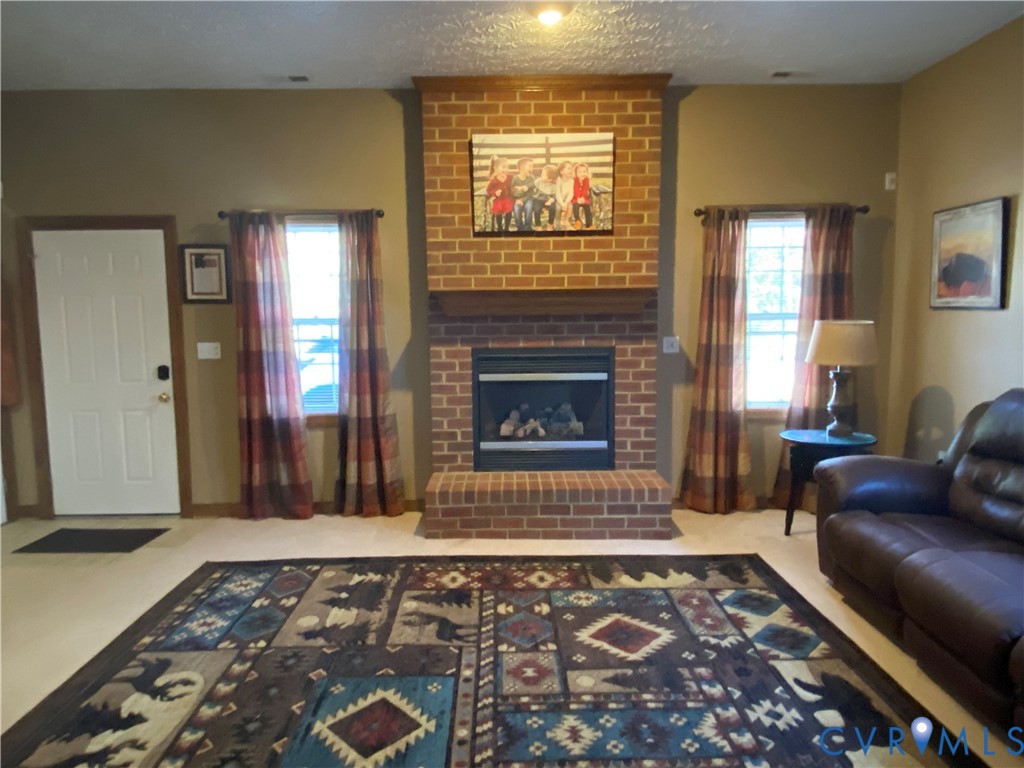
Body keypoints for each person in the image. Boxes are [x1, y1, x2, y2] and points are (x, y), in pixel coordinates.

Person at [485, 156, 513, 232]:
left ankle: (506, 228)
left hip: (508, 198)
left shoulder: (510, 177)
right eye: (503, 167)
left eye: (507, 167)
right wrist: (495, 192)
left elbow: (515, 183)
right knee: (497, 211)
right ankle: (500, 228)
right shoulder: (494, 180)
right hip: (499, 199)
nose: (505, 169)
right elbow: (488, 190)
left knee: (509, 211)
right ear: (496, 168)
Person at [510, 157, 537, 232]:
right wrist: (517, 199)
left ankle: (528, 227)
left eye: (532, 166)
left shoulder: (532, 178)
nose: (532, 168)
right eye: (530, 166)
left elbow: (530, 193)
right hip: (517, 199)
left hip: (528, 198)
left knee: (529, 207)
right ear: (522, 168)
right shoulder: (515, 179)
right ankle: (520, 227)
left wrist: (522, 198)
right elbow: (512, 192)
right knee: (517, 209)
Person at [532, 164, 558, 231]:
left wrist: (551, 200)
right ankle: (538, 225)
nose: (541, 175)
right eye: (542, 174)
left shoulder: (553, 185)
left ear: (550, 179)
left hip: (548, 200)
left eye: (543, 175)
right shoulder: (539, 181)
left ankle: (550, 224)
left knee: (553, 208)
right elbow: (533, 187)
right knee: (536, 209)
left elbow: (554, 196)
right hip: (538, 199)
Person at [572, 162, 593, 230]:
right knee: (575, 206)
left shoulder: (587, 180)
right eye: (580, 172)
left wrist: (583, 198)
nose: (582, 174)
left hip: (584, 198)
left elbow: (585, 189)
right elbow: (575, 189)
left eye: (584, 171)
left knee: (587, 207)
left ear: (587, 172)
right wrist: (578, 198)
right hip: (576, 197)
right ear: (576, 173)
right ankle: (577, 221)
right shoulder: (575, 180)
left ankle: (589, 224)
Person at [555, 160, 574, 230]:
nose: (571, 170)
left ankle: (566, 220)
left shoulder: (572, 181)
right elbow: (558, 193)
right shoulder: (559, 180)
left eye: (571, 168)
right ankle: (557, 222)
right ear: (562, 172)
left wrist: (566, 202)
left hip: (567, 200)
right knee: (558, 207)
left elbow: (571, 193)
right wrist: (562, 203)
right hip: (559, 200)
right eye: (569, 168)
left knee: (570, 206)